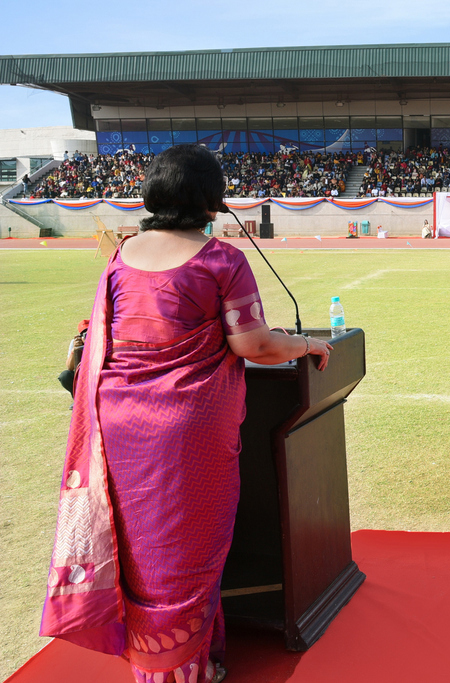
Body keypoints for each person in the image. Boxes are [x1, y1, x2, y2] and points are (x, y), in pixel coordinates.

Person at [39, 145, 332, 683]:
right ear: (211, 198)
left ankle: (153, 664)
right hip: (187, 430)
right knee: (185, 547)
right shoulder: (220, 259)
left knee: (139, 544)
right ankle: (182, 669)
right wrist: (307, 343)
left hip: (117, 425)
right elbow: (254, 345)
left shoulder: (121, 257)